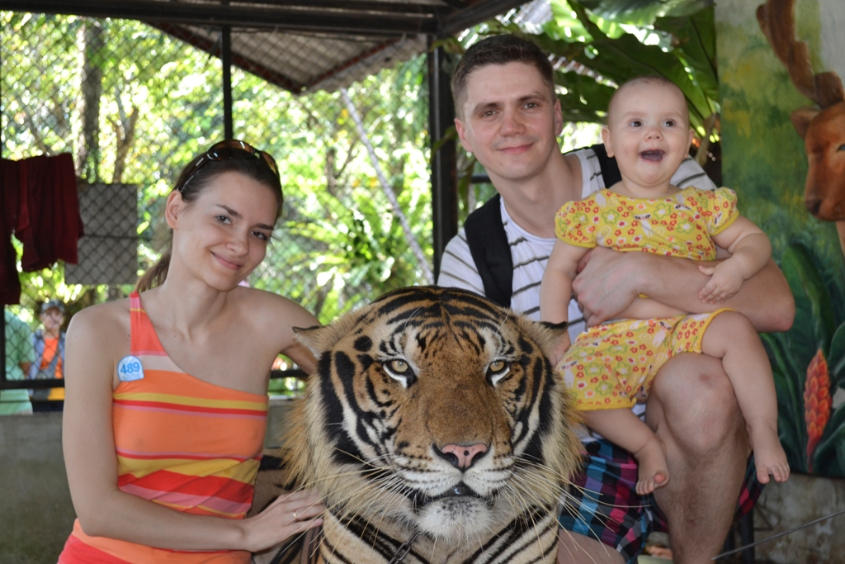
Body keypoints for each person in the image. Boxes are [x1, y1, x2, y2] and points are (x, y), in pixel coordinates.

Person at [437, 35, 795, 564]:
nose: (511, 126)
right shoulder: (471, 256)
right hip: (583, 446)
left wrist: (643, 270)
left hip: (698, 428)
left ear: (557, 114)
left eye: (528, 104)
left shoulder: (651, 167)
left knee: (701, 383)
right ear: (465, 133)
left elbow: (776, 305)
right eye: (489, 111)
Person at [59, 140, 325, 563]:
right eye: (224, 219)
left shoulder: (273, 321)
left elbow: (373, 385)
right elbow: (97, 511)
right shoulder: (98, 331)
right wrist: (245, 533)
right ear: (175, 211)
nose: (241, 245)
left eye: (259, 233)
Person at [539, 76, 790, 498]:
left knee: (736, 329)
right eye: (636, 123)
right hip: (619, 340)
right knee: (571, 385)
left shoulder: (701, 205)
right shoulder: (592, 212)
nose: (654, 133)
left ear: (688, 141)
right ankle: (646, 445)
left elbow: (754, 240)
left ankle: (763, 430)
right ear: (609, 141)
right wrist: (555, 330)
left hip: (687, 331)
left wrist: (739, 266)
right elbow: (559, 271)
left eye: (669, 124)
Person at [29, 298, 67, 412]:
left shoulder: (68, 340)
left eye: (57, 314)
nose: (53, 318)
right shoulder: (33, 340)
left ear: (62, 319)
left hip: (63, 396)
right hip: (39, 395)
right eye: (49, 314)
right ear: (42, 317)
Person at [2, 308, 34, 415]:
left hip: (17, 401)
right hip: (17, 398)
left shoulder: (20, 325)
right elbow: (26, 366)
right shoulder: (20, 325)